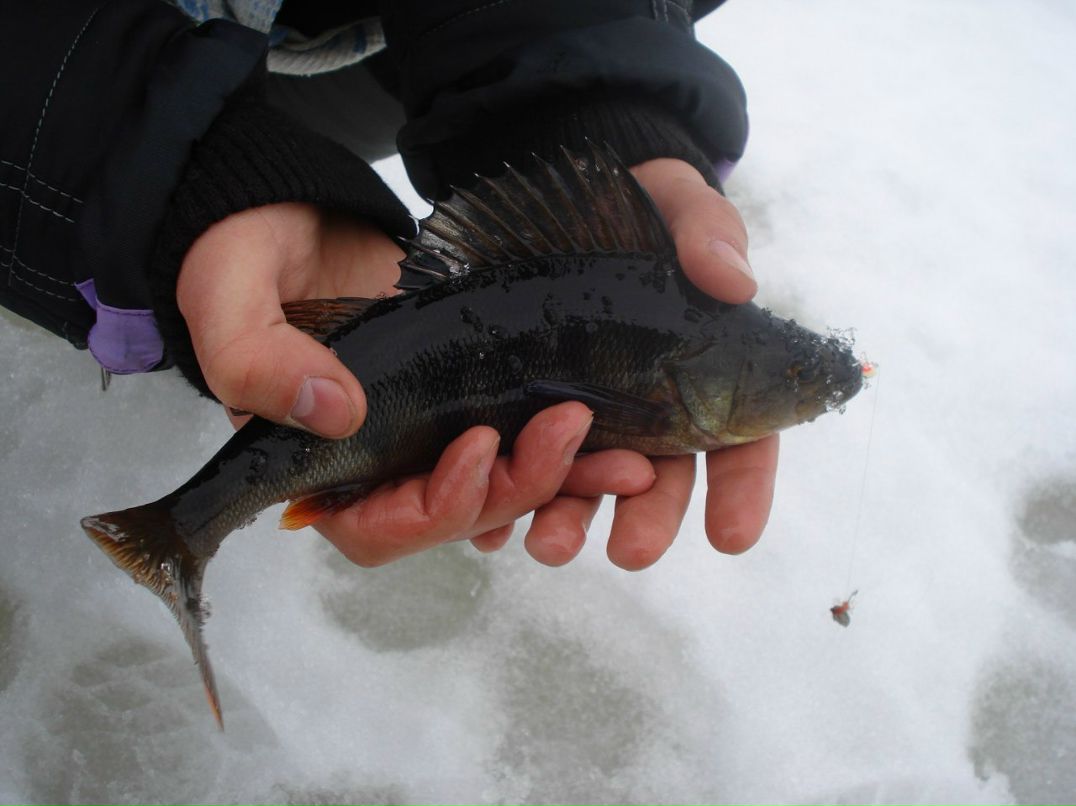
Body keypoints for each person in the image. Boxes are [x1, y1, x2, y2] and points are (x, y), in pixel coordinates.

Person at [0, 0, 778, 570]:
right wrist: (172, 177)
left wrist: (584, 109)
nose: (806, 385)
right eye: (790, 376)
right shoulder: (667, 392)